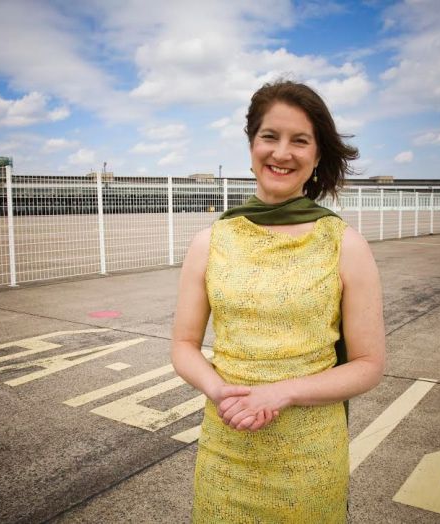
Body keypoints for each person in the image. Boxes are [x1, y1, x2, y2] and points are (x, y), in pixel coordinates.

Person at [171, 79, 386, 523]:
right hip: (225, 452)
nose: (282, 153)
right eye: (270, 136)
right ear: (252, 145)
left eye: (299, 141)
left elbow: (368, 364)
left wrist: (281, 393)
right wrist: (219, 390)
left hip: (309, 461)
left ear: (317, 155)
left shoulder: (345, 244)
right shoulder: (210, 241)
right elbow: (183, 346)